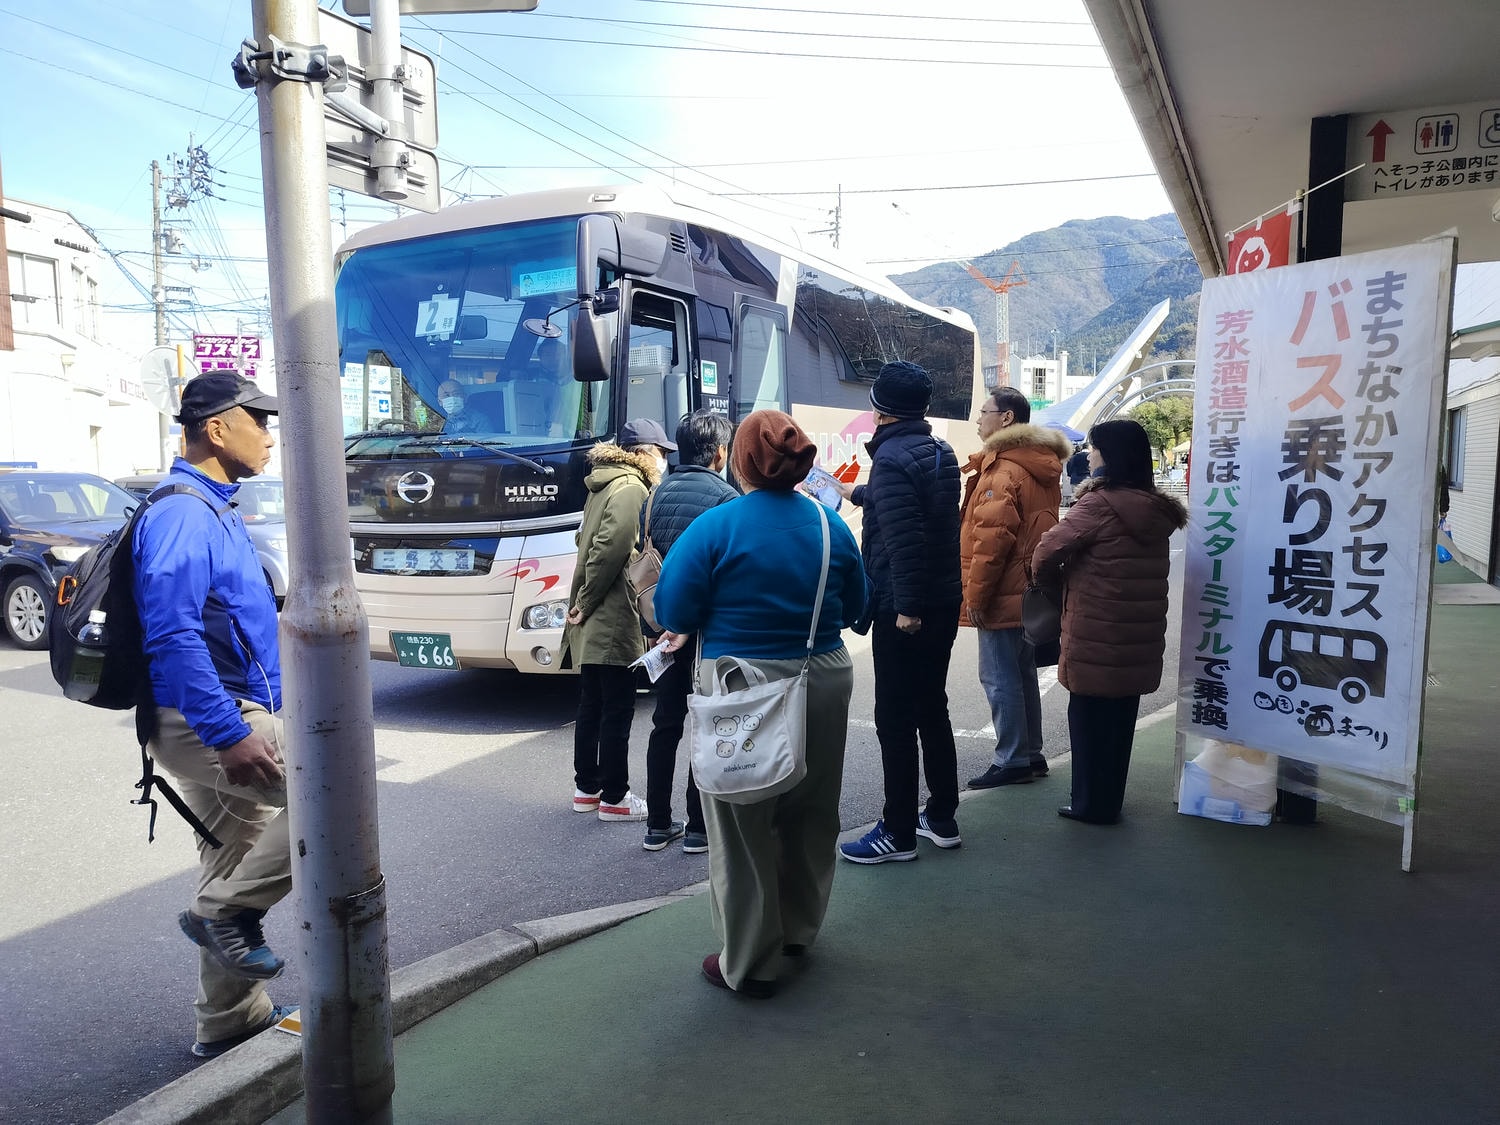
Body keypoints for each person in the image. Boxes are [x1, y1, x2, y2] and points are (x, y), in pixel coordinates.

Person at [653, 409, 866, 998]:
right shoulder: (831, 526)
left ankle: (748, 961)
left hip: (742, 684)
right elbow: (856, 608)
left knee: (743, 822)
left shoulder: (716, 527)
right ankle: (798, 931)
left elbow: (672, 611)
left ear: (741, 461)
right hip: (822, 676)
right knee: (810, 810)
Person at [131, 373, 294, 1059]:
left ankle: (229, 1018)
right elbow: (171, 633)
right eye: (260, 418)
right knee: (338, 797)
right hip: (209, 713)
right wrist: (229, 732)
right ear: (217, 427)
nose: (271, 432)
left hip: (211, 708)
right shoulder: (183, 511)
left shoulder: (214, 503)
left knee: (231, 851)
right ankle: (220, 912)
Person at [835, 360, 964, 865]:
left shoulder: (890, 459)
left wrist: (906, 609)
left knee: (894, 716)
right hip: (944, 599)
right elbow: (917, 509)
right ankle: (942, 816)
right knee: (932, 704)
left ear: (879, 411)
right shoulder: (939, 450)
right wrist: (853, 492)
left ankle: (898, 830)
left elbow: (906, 539)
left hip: (906, 605)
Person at [1031, 418, 1187, 825]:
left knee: (1087, 722)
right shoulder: (1155, 508)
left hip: (1096, 631)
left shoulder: (1099, 503)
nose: (1089, 455)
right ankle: (1109, 801)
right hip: (1138, 635)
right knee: (1120, 724)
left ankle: (1089, 805)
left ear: (1109, 456)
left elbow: (1047, 550)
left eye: (1094, 448)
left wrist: (1051, 585)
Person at [561, 417, 674, 822]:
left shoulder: (602, 483)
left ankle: (586, 789)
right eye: (660, 452)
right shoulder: (630, 488)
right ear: (643, 453)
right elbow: (610, 549)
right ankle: (615, 797)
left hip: (593, 615)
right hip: (611, 616)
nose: (663, 461)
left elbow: (585, 543)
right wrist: (589, 601)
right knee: (616, 708)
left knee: (591, 704)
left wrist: (583, 603)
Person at [960, 386, 1070, 790]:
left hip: (1002, 589)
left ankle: (1011, 759)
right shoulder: (1040, 464)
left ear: (1006, 418)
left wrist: (976, 595)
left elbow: (991, 540)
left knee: (999, 675)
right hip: (1029, 590)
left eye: (984, 411)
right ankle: (1031, 753)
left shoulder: (1004, 469)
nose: (978, 420)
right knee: (1021, 671)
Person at [640, 409, 739, 854]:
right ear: (720, 451)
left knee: (666, 724)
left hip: (663, 628)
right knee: (705, 723)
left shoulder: (654, 496)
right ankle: (699, 827)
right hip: (707, 632)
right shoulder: (726, 499)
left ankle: (658, 824)